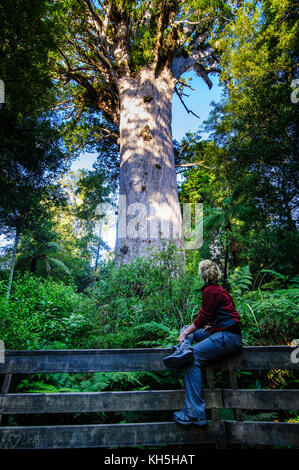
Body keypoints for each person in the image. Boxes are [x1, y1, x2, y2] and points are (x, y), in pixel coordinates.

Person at [163, 260, 242, 427]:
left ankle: (194, 414)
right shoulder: (219, 290)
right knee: (187, 329)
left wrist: (185, 334)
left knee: (192, 359)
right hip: (224, 333)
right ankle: (183, 350)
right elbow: (224, 315)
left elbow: (203, 317)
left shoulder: (210, 291)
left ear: (202, 275)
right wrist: (212, 326)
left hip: (226, 337)